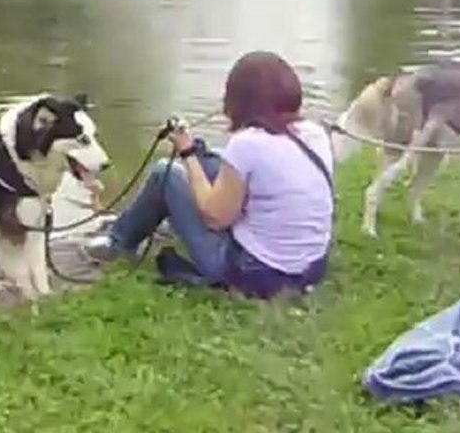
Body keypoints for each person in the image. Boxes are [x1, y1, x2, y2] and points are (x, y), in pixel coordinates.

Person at [84, 50, 334, 298]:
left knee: (164, 174)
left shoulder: (247, 144)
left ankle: (118, 244)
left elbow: (216, 218)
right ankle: (158, 220)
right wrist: (198, 155)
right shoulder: (314, 133)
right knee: (212, 159)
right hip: (310, 268)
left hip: (255, 273)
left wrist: (187, 151)